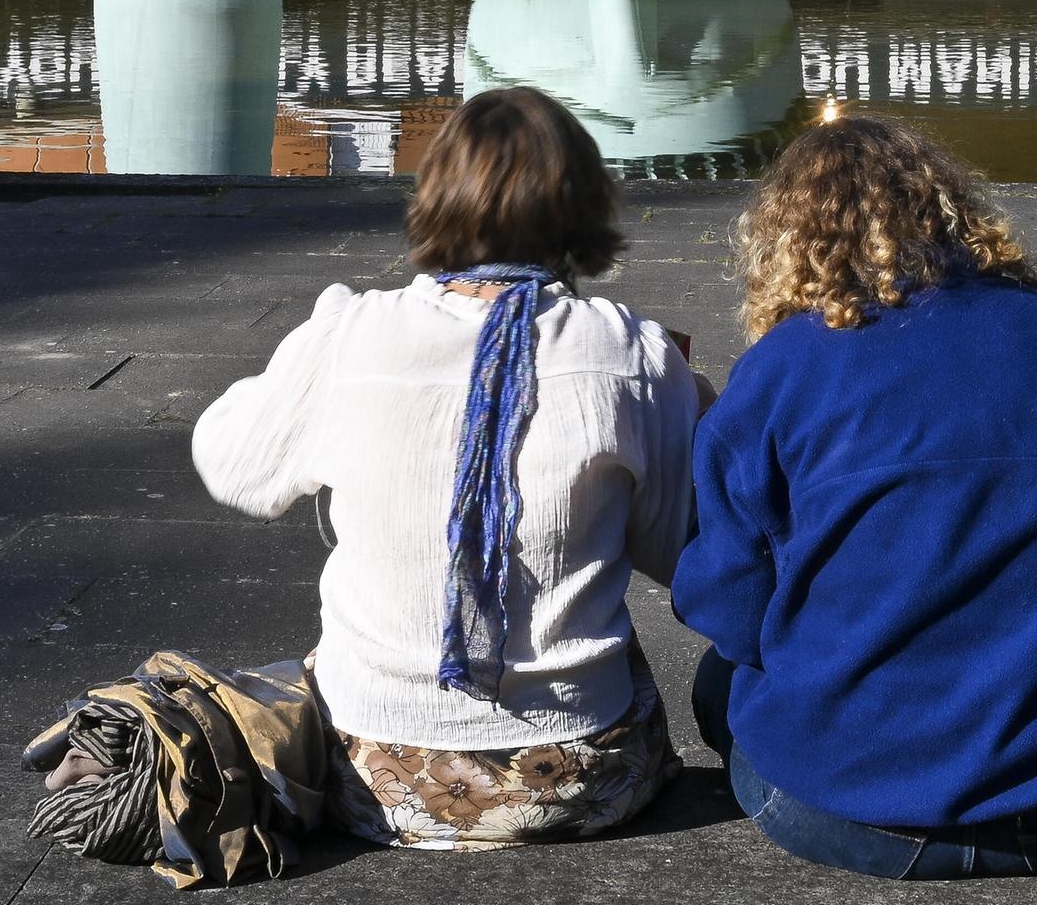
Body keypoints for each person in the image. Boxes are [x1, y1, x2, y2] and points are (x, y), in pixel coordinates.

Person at [191, 86, 699, 850]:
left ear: (436, 196)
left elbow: (233, 465)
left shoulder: (350, 333)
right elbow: (679, 551)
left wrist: (290, 377)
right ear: (586, 203)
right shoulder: (631, 351)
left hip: (375, 776)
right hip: (586, 778)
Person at [675, 117, 1037, 881]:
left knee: (721, 683)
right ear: (950, 213)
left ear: (781, 243)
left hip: (847, 817)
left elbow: (729, 614)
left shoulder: (778, 370)